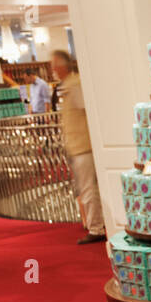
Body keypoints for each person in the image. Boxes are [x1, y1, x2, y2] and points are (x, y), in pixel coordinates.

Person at [51, 49, 106, 245]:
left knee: (88, 188)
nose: (54, 69)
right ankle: (97, 223)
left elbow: (86, 111)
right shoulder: (69, 84)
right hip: (79, 145)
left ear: (62, 65)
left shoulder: (75, 85)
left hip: (84, 146)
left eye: (55, 64)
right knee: (89, 187)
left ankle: (96, 227)